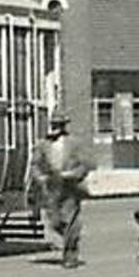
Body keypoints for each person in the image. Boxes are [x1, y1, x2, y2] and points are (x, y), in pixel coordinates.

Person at [33, 114, 93, 268]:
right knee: (55, 221)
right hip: (52, 187)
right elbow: (35, 164)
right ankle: (70, 238)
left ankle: (70, 255)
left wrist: (73, 174)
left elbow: (86, 164)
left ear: (64, 126)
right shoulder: (42, 144)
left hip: (70, 186)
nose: (55, 128)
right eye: (53, 124)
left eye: (58, 125)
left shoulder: (74, 143)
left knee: (70, 220)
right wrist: (40, 177)